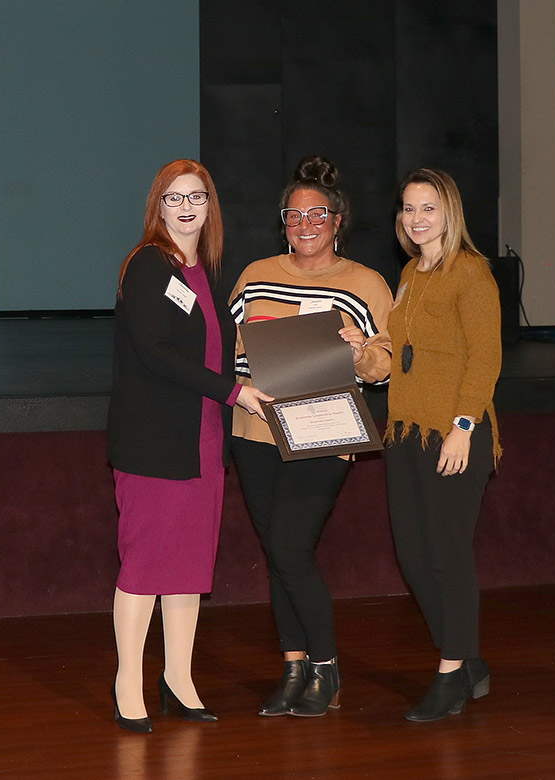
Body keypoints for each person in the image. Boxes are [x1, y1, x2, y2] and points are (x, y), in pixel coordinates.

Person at [107, 159, 271, 733]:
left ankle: (179, 677)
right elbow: (155, 352)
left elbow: (215, 349)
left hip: (201, 441)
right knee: (146, 566)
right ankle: (128, 681)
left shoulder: (206, 270)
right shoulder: (148, 266)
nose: (185, 208)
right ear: (158, 206)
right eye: (173, 198)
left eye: (195, 197)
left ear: (209, 206)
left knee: (188, 569)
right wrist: (234, 392)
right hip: (155, 444)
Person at [227, 155, 393, 717]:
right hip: (255, 431)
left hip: (324, 431)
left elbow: (384, 366)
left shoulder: (364, 283)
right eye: (294, 215)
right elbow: (227, 349)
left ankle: (325, 668)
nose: (305, 224)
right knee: (277, 553)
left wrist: (359, 350)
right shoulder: (254, 275)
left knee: (292, 548)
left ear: (337, 218)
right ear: (283, 221)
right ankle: (293, 665)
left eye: (317, 213)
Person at [385, 168, 500, 722]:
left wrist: (464, 425)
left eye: (427, 208)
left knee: (446, 555)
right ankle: (469, 659)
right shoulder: (411, 270)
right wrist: (367, 344)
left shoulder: (471, 273)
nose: (416, 218)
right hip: (405, 433)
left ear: (449, 212)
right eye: (408, 208)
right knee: (413, 555)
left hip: (455, 435)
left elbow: (485, 357)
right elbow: (406, 350)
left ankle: (452, 671)